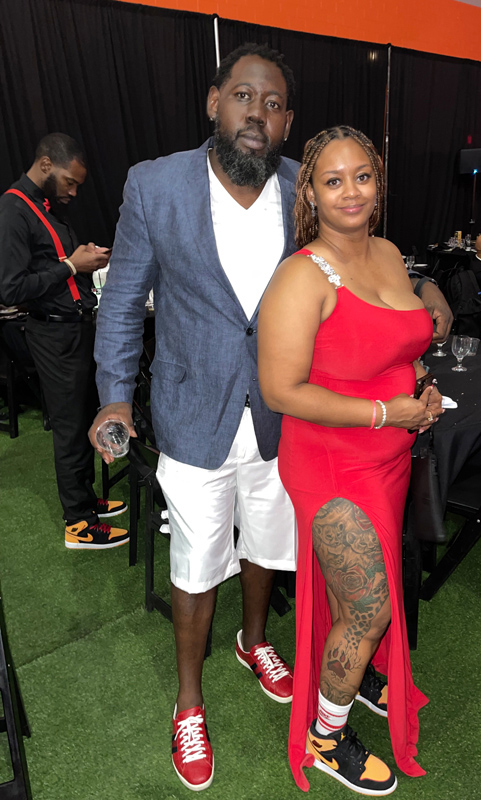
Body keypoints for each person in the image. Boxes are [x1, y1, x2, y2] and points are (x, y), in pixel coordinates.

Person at [90, 43, 300, 792]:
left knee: (268, 540)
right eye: (244, 96)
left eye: (273, 104)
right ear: (214, 102)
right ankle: (188, 701)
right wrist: (115, 393)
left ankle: (253, 640)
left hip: (280, 409)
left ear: (287, 123)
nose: (257, 113)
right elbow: (123, 300)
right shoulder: (155, 185)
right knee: (197, 560)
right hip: (190, 408)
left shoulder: (304, 187)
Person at [258, 125, 443, 796]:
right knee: (369, 607)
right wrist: (386, 414)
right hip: (332, 463)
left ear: (378, 181)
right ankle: (326, 736)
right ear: (310, 192)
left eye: (361, 176)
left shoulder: (388, 253)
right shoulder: (301, 275)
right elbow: (282, 391)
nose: (350, 192)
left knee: (353, 599)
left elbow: (395, 346)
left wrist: (420, 387)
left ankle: (357, 677)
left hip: (390, 457)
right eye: (332, 181)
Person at [0, 133, 128, 548]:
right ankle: (78, 522)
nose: (73, 192)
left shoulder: (42, 208)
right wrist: (72, 265)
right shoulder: (13, 210)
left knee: (82, 419)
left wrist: (80, 259)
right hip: (53, 334)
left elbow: (50, 266)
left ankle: (86, 500)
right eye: (69, 182)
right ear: (45, 165)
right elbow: (10, 289)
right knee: (70, 427)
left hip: (74, 328)